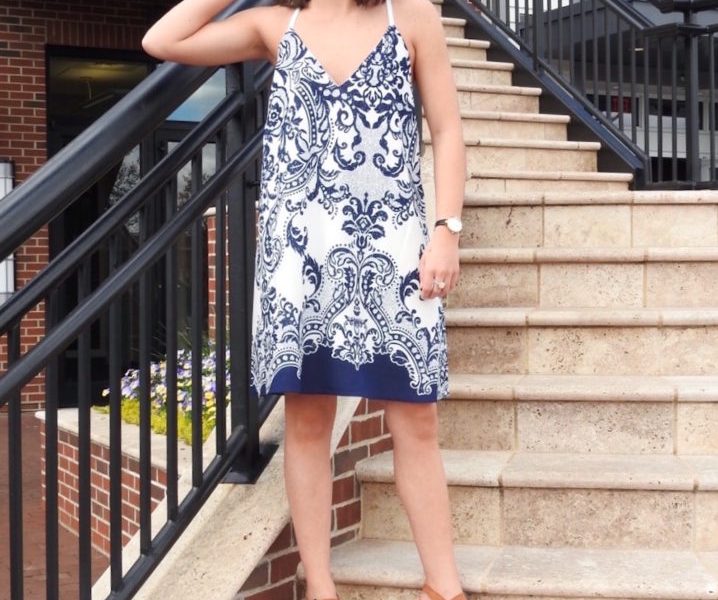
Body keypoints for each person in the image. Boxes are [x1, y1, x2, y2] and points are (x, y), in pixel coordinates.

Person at [143, 1, 466, 598]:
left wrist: (447, 230)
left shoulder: (411, 15)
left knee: (416, 418)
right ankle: (319, 584)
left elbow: (446, 130)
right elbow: (164, 39)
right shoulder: (274, 25)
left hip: (394, 251)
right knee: (308, 419)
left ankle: (443, 586)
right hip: (299, 260)